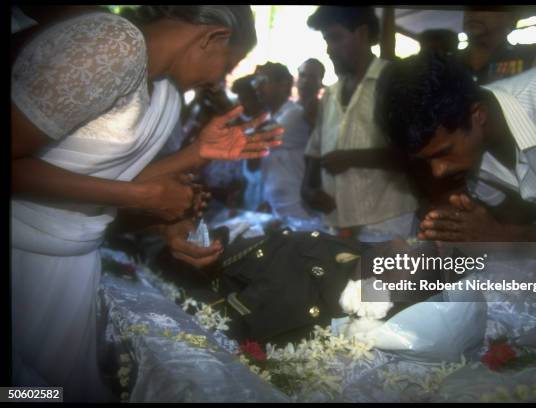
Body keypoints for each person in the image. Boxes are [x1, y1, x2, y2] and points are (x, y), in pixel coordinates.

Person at [11, 5, 283, 401]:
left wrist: (175, 203)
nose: (222, 78)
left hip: (75, 263)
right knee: (18, 392)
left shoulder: (168, 94)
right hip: (21, 257)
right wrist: (144, 197)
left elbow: (98, 183)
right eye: (231, 62)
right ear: (213, 37)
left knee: (56, 393)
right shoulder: (113, 42)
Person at [375, 52, 536, 242]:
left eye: (444, 153)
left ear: (478, 115)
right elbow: (520, 212)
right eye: (425, 160)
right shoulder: (469, 147)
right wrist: (464, 225)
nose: (438, 171)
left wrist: (504, 236)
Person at [302, 6, 420, 242]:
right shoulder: (330, 94)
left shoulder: (396, 82)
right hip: (337, 224)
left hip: (389, 223)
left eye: (336, 38)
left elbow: (415, 154)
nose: (329, 49)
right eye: (327, 40)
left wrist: (353, 158)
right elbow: (314, 153)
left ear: (362, 34)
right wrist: (307, 189)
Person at [256, 62, 314, 219]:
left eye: (263, 81)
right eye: (256, 82)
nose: (257, 87)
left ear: (283, 85)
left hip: (296, 208)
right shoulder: (269, 116)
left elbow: (257, 139)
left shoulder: (294, 114)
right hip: (275, 206)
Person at [458, 7, 536, 85]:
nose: (473, 13)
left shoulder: (534, 57)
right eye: (468, 8)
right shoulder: (449, 62)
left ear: (511, 17)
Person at [296, 58, 325, 131]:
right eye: (302, 75)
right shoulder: (286, 108)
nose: (305, 81)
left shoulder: (326, 113)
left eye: (312, 77)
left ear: (321, 83)